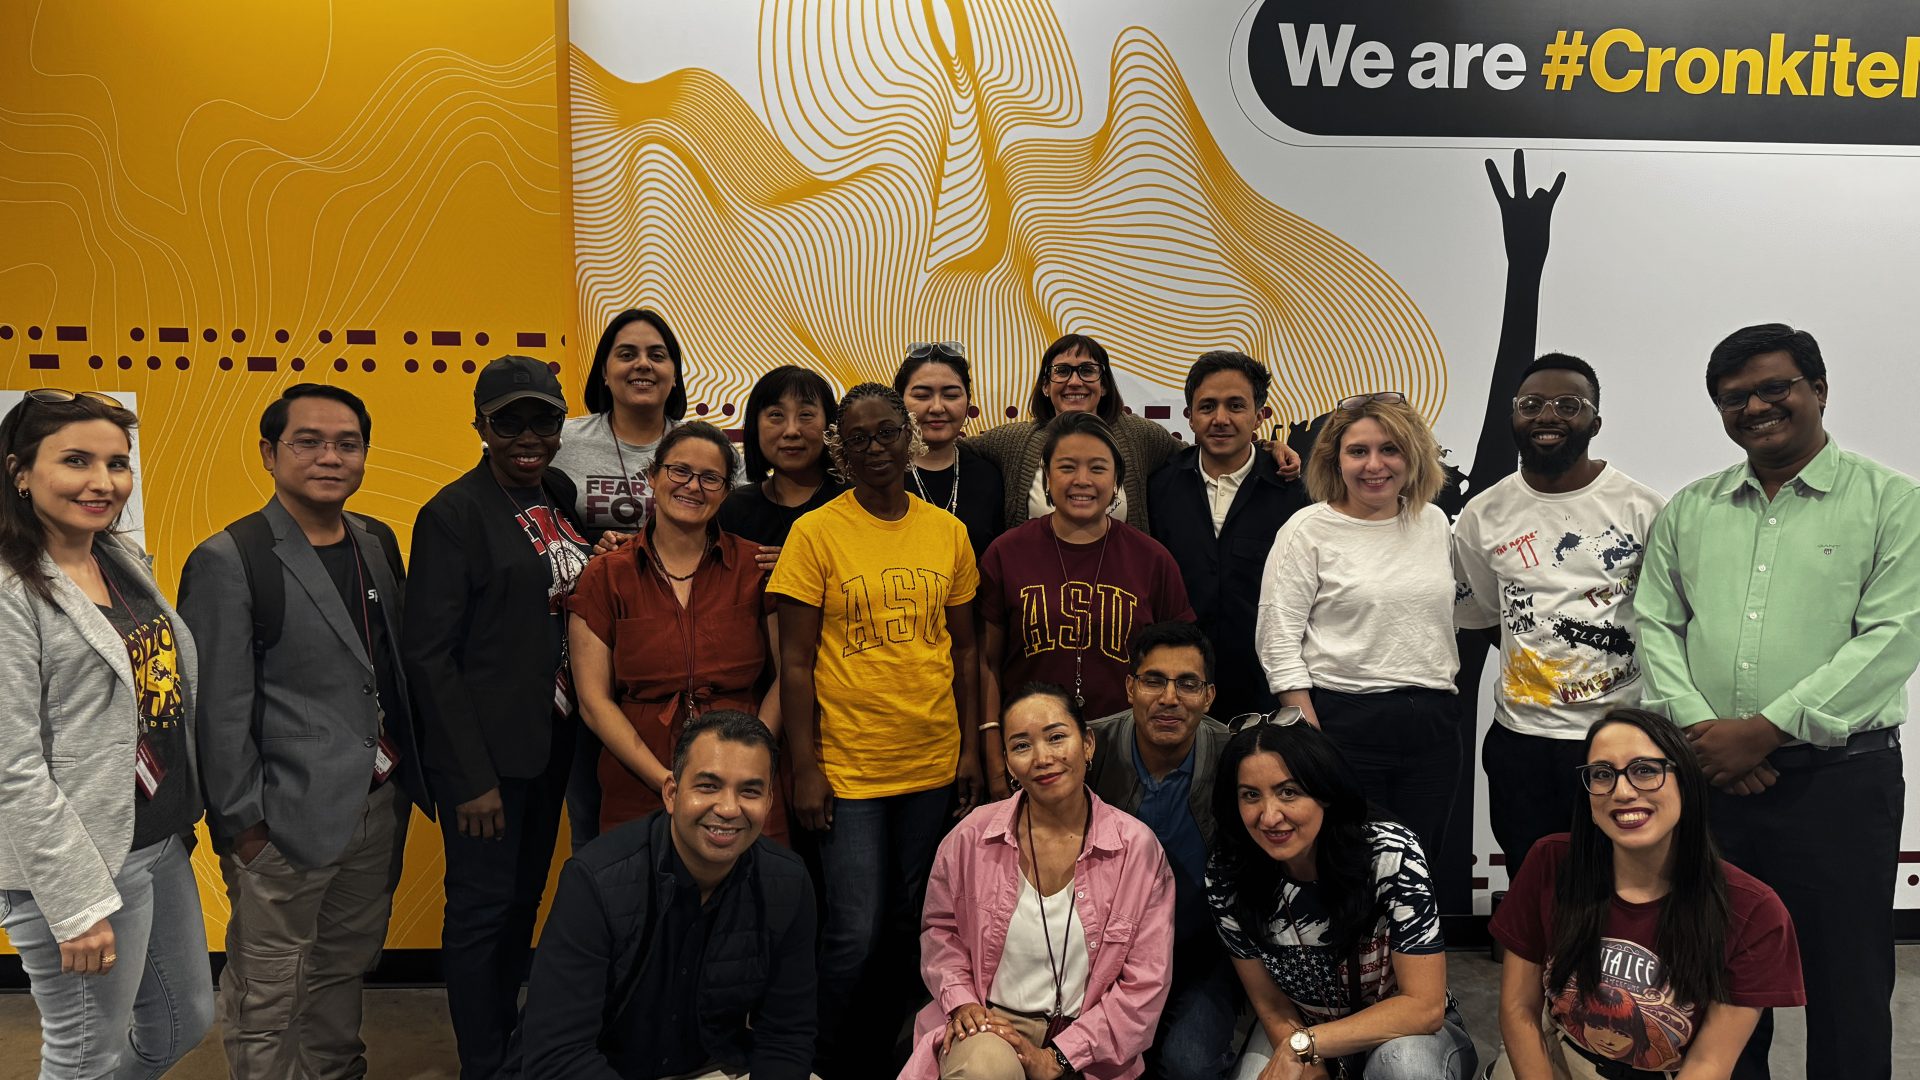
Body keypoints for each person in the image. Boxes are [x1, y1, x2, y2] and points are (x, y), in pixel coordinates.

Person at [1636, 323, 1920, 1080]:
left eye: (1774, 387)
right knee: (1720, 977)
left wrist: (1764, 731)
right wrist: (1704, 734)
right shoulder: (1690, 511)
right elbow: (1654, 626)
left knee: (1848, 980)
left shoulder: (1894, 502)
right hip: (1711, 781)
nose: (1755, 406)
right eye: (1734, 398)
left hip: (1840, 781)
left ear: (1818, 390)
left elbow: (1894, 636)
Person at [179, 384, 431, 1077]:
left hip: (376, 805)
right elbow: (217, 710)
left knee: (342, 970)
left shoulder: (375, 542)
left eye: (347, 444)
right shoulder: (230, 558)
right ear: (269, 452)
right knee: (269, 992)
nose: (331, 456)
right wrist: (245, 829)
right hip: (281, 824)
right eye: (309, 441)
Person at [767, 382, 983, 1080]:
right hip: (851, 768)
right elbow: (795, 662)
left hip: (931, 759)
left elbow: (968, 652)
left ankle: (899, 1055)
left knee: (914, 925)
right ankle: (822, 1058)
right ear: (840, 449)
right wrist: (804, 765)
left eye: (886, 432)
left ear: (909, 435)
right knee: (852, 933)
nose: (874, 448)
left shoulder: (946, 531)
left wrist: (973, 748)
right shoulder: (816, 532)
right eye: (855, 438)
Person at [0, 389, 215, 1077]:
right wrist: (75, 903)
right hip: (82, 864)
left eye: (117, 463)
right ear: (20, 472)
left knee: (184, 1021)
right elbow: (12, 766)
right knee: (84, 1055)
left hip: (152, 838)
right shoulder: (12, 593)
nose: (103, 482)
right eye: (76, 461)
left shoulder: (118, 558)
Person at [403, 356, 594, 1080]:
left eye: (542, 419)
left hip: (550, 744)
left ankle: (511, 1048)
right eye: (507, 420)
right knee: (482, 911)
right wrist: (470, 778)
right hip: (487, 763)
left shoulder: (558, 492)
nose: (526, 434)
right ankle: (483, 1063)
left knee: (521, 904)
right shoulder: (453, 514)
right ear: (479, 425)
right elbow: (430, 656)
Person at [1488, 708, 1805, 1080]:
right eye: (1603, 775)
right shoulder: (1550, 862)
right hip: (1556, 1057)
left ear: (1685, 783)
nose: (1623, 792)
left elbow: (1709, 1063)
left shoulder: (1753, 910)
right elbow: (1519, 1009)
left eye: (1645, 770)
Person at [1451, 355, 1666, 878]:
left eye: (1568, 405)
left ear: (1595, 421)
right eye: (1531, 405)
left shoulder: (1644, 508)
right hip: (1521, 739)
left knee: (1625, 877)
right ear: (1514, 417)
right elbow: (1484, 614)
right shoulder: (1483, 514)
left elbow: (1668, 620)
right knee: (1535, 876)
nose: (1548, 416)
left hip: (1622, 734)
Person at [515, 710, 816, 1080]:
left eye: (749, 791)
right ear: (672, 794)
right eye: (708, 786)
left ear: (769, 802)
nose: (728, 808)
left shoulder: (787, 882)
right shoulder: (595, 881)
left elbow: (787, 1037)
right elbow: (558, 1056)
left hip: (712, 1067)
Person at [904, 683, 1175, 1080]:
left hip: (1090, 1043)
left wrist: (1059, 1056)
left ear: (1087, 745)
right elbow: (940, 931)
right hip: (991, 1026)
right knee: (985, 1069)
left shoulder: (1137, 850)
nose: (1043, 758)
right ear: (1009, 763)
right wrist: (961, 1002)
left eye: (1056, 737)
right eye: (1021, 746)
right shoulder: (970, 838)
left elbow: (1145, 986)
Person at [1207, 716, 1477, 1080]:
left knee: (1405, 1067)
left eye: (1288, 791)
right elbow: (1269, 1005)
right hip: (1297, 1024)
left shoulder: (1390, 854)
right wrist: (1309, 1060)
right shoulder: (1228, 871)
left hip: (1402, 1030)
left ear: (1325, 792)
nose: (1269, 817)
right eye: (1250, 795)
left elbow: (1424, 1007)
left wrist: (1306, 1044)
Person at [1253, 394, 1460, 864]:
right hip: (1342, 722)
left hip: (1433, 724)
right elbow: (1277, 637)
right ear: (1334, 458)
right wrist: (1310, 734)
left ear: (1413, 455)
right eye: (1358, 451)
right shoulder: (1307, 529)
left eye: (1390, 449)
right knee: (1351, 869)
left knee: (1420, 871)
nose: (1374, 465)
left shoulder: (1432, 522)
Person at [569, 421, 785, 836]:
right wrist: (664, 780)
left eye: (710, 478)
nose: (692, 486)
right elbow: (594, 702)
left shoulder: (756, 569)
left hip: (745, 781)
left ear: (727, 491)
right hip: (639, 779)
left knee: (752, 895)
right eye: (679, 471)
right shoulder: (606, 574)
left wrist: (753, 757)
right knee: (641, 896)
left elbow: (788, 675)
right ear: (652, 476)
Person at [979, 412, 1195, 799]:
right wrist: (994, 750)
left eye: (1098, 468)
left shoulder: (1152, 559)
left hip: (1129, 752)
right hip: (1032, 749)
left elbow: (1182, 661)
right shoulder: (1005, 553)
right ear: (1047, 477)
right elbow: (988, 663)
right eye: (1067, 467)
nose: (1082, 480)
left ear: (1117, 481)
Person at [1084, 622, 1240, 1080]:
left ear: (1209, 696)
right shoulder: (1088, 751)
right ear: (1130, 687)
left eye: (1187, 684)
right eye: (1154, 680)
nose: (1169, 698)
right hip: (1100, 957)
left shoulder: (1237, 760)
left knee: (1188, 1066)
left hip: (1201, 957)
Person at [970, 334, 1299, 533]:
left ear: (1103, 384)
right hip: (1037, 597)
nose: (1075, 381)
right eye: (1061, 371)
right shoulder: (1014, 441)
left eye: (1088, 371)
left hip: (1121, 598)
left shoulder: (1141, 437)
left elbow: (1204, 451)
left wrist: (1268, 447)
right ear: (1045, 386)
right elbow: (952, 449)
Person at [1148, 351, 1310, 722]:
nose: (1220, 419)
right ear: (1189, 417)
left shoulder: (1296, 493)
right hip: (1176, 693)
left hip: (1269, 691)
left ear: (1260, 415)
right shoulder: (1159, 486)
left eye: (1236, 405)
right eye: (1207, 406)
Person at [716, 364, 843, 563]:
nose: (791, 431)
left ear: (830, 425)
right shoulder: (733, 509)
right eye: (776, 415)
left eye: (806, 415)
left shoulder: (854, 501)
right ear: (754, 426)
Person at [894, 341, 1005, 557]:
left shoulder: (989, 477)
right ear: (899, 402)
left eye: (951, 395)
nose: (937, 407)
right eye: (922, 395)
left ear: (968, 403)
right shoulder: (880, 474)